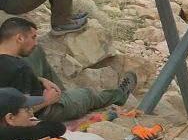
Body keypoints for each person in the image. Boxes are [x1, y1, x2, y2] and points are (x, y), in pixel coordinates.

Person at [0, 17, 135, 123]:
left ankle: (63, 93)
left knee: (36, 52)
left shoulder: (15, 65)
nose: (36, 42)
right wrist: (47, 100)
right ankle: (118, 96)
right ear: (19, 38)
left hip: (33, 90)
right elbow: (18, 113)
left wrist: (40, 79)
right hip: (45, 109)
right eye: (33, 37)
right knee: (88, 94)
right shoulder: (20, 69)